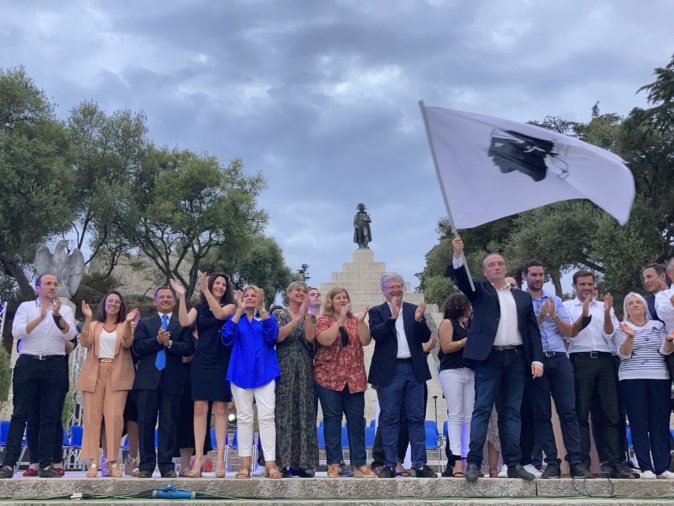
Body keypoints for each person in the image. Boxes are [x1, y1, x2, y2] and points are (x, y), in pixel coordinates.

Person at [451, 236, 543, 482]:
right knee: (481, 409)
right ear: (484, 272)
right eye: (491, 265)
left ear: (506, 267)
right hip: (489, 358)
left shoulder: (522, 297)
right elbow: (463, 280)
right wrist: (458, 256)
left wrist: (537, 359)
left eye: (500, 263)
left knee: (512, 412)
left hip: (516, 358)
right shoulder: (480, 291)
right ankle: (473, 463)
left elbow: (532, 330)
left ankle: (513, 464)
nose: (497, 267)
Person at [1, 274, 77, 479]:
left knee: (50, 416)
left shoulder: (65, 310)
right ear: (37, 288)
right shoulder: (26, 307)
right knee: (20, 414)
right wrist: (40, 318)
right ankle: (8, 464)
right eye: (48, 283)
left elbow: (70, 336)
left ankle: (45, 464)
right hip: (29, 362)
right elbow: (17, 332)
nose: (53, 287)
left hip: (55, 364)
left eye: (55, 284)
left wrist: (56, 317)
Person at [522, 261, 593, 479]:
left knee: (568, 412)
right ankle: (552, 462)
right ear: (525, 277)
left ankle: (576, 461)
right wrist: (539, 318)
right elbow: (523, 331)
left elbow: (569, 331)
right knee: (542, 414)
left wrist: (553, 315)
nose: (538, 278)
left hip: (560, 359)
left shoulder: (555, 300)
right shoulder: (521, 301)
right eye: (534, 274)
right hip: (537, 361)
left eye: (541, 274)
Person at [562, 271, 633, 478]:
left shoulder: (604, 306)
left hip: (605, 360)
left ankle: (613, 462)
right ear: (574, 286)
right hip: (580, 359)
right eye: (582, 284)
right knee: (580, 413)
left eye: (590, 284)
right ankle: (582, 462)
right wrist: (584, 312)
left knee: (611, 413)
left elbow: (610, 334)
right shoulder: (566, 307)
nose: (587, 288)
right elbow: (569, 334)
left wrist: (608, 312)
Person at [368, 273, 436, 479]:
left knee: (416, 418)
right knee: (390, 419)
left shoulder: (414, 310)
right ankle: (389, 464)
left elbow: (425, 336)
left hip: (413, 369)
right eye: (392, 287)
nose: (396, 290)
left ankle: (420, 464)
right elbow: (377, 335)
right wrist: (392, 318)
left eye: (399, 286)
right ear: (384, 290)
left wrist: (418, 321)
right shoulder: (377, 311)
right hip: (390, 371)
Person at [170, 273, 235, 478]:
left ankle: (220, 460)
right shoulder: (198, 308)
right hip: (202, 360)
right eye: (217, 283)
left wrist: (206, 291)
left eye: (223, 284)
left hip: (221, 359)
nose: (220, 286)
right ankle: (197, 459)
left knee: (220, 408)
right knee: (199, 407)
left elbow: (220, 315)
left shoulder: (230, 306)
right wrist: (181, 297)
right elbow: (184, 321)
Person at [132, 286, 194, 478]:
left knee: (169, 424)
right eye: (162, 297)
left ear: (174, 302)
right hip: (147, 381)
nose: (166, 299)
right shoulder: (145, 323)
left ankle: (167, 466)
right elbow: (138, 347)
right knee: (146, 424)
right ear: (155, 301)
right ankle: (146, 466)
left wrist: (170, 344)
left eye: (169, 297)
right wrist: (157, 341)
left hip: (172, 381)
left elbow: (188, 348)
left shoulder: (182, 323)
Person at [221, 286, 282, 479]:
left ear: (260, 298)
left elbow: (272, 336)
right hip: (240, 373)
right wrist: (238, 311)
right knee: (244, 418)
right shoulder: (236, 319)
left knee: (267, 417)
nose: (249, 298)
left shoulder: (265, 318)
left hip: (265, 372)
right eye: (246, 295)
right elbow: (226, 338)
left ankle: (270, 464)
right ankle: (245, 465)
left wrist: (262, 309)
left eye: (253, 295)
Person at [76, 293, 139, 478]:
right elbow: (84, 342)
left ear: (121, 306)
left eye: (117, 302)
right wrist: (88, 319)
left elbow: (128, 342)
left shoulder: (125, 325)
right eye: (110, 301)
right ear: (104, 304)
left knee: (114, 417)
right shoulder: (94, 325)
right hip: (94, 373)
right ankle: (93, 461)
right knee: (92, 418)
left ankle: (112, 461)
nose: (113, 304)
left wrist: (128, 323)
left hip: (117, 373)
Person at [315, 287, 375, 478]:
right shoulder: (323, 320)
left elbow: (365, 341)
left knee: (356, 422)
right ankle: (334, 463)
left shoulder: (355, 321)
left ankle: (359, 463)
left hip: (354, 378)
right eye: (338, 298)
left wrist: (361, 321)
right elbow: (326, 340)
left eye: (345, 297)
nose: (342, 300)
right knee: (332, 421)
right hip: (329, 377)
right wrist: (339, 321)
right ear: (330, 301)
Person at [613, 292, 674, 479]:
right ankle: (646, 467)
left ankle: (662, 467)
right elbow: (623, 354)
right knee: (638, 422)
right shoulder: (622, 327)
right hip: (631, 377)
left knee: (660, 422)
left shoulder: (658, 325)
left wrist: (669, 340)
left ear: (645, 306)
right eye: (630, 303)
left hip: (659, 376)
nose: (635, 305)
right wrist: (630, 337)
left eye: (638, 302)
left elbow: (664, 351)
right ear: (626, 309)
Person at [274, 281, 318, 477]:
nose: (301, 293)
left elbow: (310, 338)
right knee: (284, 414)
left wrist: (305, 314)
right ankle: (281, 462)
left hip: (304, 370)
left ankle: (300, 463)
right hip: (284, 368)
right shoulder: (279, 314)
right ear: (288, 293)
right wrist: (297, 318)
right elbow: (279, 337)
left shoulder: (311, 317)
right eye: (297, 290)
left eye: (304, 291)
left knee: (303, 413)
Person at [20, 335, 77, 477]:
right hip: (33, 374)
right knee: (33, 418)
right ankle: (34, 462)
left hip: (57, 375)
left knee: (54, 418)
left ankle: (56, 461)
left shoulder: (65, 326)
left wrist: (57, 333)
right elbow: (20, 346)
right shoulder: (32, 323)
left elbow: (71, 347)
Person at [437, 293, 474, 478]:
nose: (470, 310)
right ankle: (456, 460)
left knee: (469, 416)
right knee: (455, 415)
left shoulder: (466, 326)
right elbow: (446, 347)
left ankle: (467, 458)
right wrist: (464, 342)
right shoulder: (448, 323)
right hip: (452, 372)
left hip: (469, 372)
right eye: (468, 306)